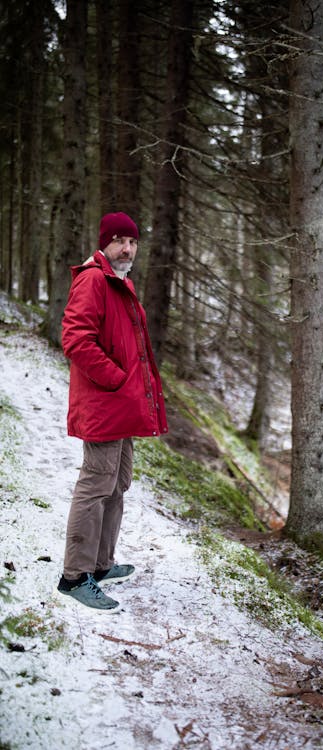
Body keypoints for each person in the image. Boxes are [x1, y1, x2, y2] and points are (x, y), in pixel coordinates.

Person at [55, 212, 168, 613]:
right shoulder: (93, 280)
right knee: (95, 485)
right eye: (120, 240)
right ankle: (74, 577)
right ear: (105, 243)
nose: (127, 248)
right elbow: (75, 339)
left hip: (121, 407)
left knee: (118, 483)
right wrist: (117, 379)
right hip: (104, 405)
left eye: (133, 242)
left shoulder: (120, 282)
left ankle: (100, 566)